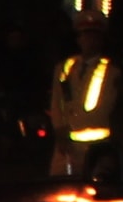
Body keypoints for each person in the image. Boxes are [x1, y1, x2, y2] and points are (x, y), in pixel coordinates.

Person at [47, 10, 116, 176]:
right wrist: (60, 131)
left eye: (94, 36)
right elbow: (56, 102)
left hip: (96, 148)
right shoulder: (65, 67)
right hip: (66, 147)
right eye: (85, 36)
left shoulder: (111, 70)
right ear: (78, 39)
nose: (89, 41)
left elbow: (109, 106)